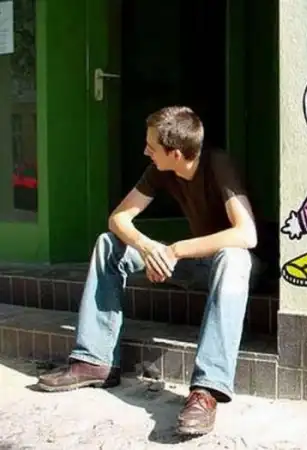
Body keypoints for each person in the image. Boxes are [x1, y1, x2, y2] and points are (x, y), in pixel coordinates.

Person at [36, 106, 258, 436]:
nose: (145, 151)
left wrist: (174, 250)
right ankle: (94, 360)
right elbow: (118, 218)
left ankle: (207, 390)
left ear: (176, 153)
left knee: (234, 256)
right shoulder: (160, 169)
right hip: (192, 263)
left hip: (231, 267)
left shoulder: (217, 164)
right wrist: (148, 248)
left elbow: (247, 234)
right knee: (108, 243)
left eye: (151, 146)